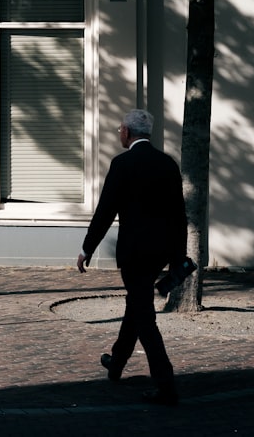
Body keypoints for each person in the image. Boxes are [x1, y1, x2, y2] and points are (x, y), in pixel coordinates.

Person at [76, 109, 188, 406]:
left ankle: (165, 384)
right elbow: (179, 216)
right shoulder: (167, 164)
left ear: (127, 131)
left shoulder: (123, 164)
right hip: (160, 252)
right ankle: (117, 363)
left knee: (144, 316)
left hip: (134, 253)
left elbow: (105, 211)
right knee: (136, 305)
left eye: (119, 129)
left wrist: (88, 248)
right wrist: (178, 256)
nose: (118, 133)